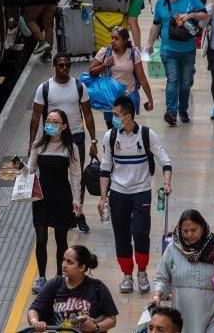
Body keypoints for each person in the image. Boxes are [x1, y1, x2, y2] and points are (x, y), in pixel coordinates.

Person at [97, 95, 174, 293]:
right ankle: (126, 275)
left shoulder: (147, 135)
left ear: (128, 116)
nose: (113, 117)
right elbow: (105, 167)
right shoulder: (110, 137)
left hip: (142, 191)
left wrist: (166, 183)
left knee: (140, 233)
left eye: (116, 114)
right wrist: (103, 196)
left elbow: (165, 160)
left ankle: (142, 271)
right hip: (118, 193)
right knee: (121, 235)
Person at [31, 53, 98, 233]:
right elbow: (35, 118)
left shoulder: (79, 86)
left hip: (75, 136)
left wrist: (93, 140)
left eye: (67, 65)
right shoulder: (44, 89)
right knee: (55, 177)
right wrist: (31, 145)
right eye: (61, 65)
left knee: (78, 176)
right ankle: (58, 210)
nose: (64, 69)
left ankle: (78, 212)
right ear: (54, 66)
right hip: (52, 137)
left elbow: (88, 115)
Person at [26, 109, 83, 294]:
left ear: (64, 126)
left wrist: (76, 200)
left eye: (55, 122)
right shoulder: (38, 145)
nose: (50, 124)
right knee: (41, 238)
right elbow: (31, 169)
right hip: (41, 197)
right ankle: (42, 277)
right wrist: (21, 168)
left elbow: (75, 175)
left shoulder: (71, 147)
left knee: (61, 240)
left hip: (62, 197)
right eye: (48, 121)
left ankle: (59, 277)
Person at [153, 209, 214, 332]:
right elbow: (162, 276)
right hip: (182, 313)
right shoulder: (173, 248)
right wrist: (157, 296)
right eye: (185, 231)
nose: (189, 234)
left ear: (202, 227)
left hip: (213, 312)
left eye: (193, 230)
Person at [148, 0, 209, 125]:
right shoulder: (161, 3)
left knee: (185, 82)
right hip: (168, 50)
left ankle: (183, 110)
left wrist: (190, 15)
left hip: (188, 50)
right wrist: (149, 43)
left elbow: (205, 15)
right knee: (173, 80)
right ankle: (171, 112)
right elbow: (156, 24)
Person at [28, 245, 120, 332]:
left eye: (70, 262)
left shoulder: (97, 287)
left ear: (82, 267)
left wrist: (94, 327)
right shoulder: (54, 284)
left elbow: (111, 319)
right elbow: (34, 309)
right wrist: (35, 322)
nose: (64, 265)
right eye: (63, 260)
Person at [90, 27, 155, 116]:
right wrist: (104, 65)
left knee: (128, 127)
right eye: (112, 38)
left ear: (125, 41)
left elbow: (142, 79)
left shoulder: (133, 54)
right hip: (110, 97)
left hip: (129, 97)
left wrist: (150, 99)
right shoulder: (104, 52)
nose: (113, 41)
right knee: (112, 128)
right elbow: (91, 71)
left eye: (116, 38)